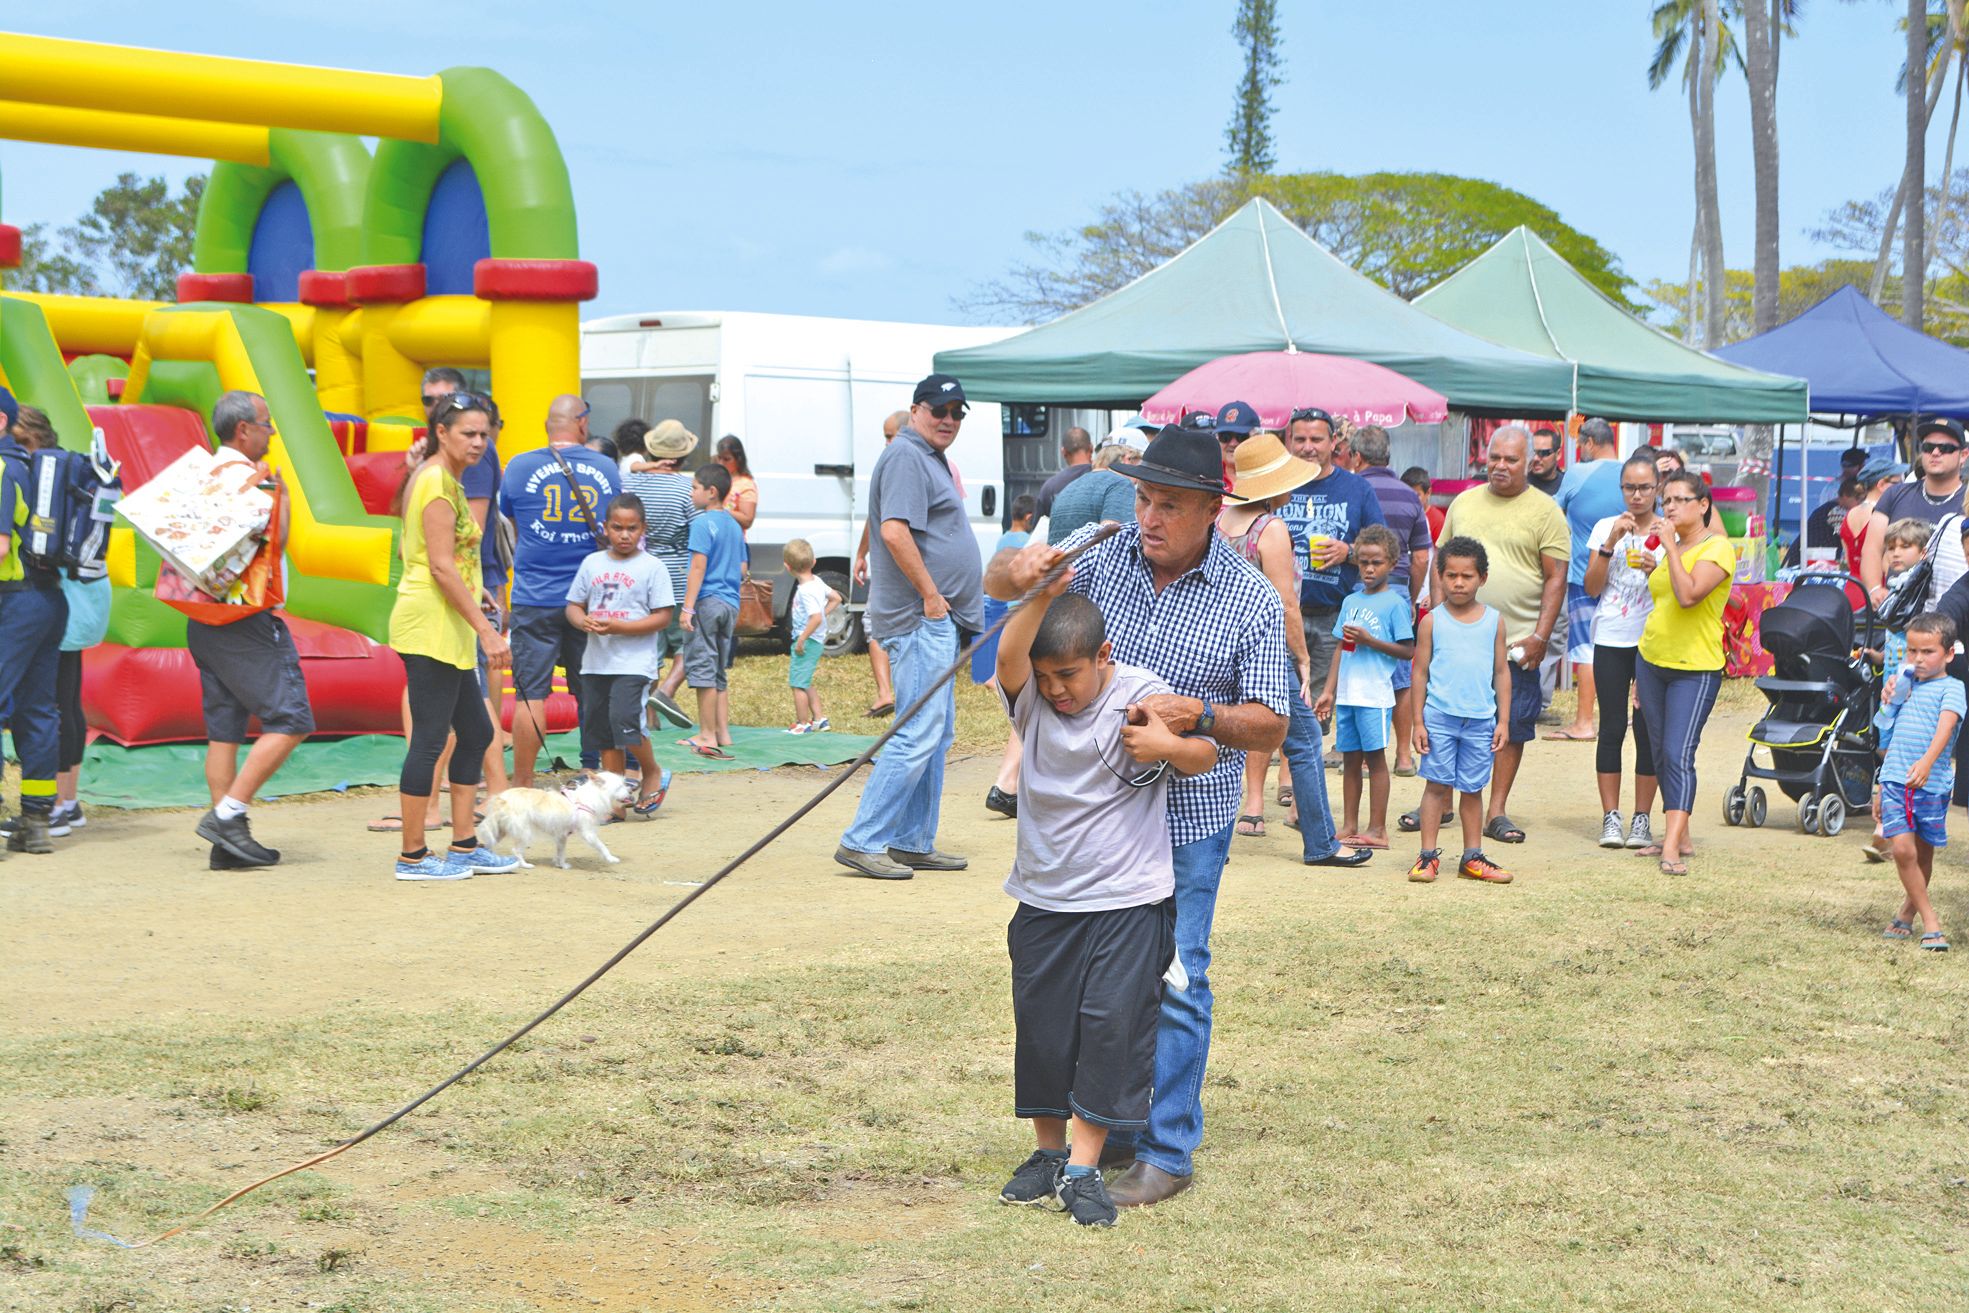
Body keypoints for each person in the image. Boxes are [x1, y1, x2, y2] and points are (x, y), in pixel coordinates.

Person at [985, 423, 1296, 1210]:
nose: (1150, 516)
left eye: (1170, 505)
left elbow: (1270, 724)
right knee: (1094, 989)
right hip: (1087, 826)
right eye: (1144, 497)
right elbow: (999, 585)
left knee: (1176, 978)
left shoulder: (1249, 597)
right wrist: (1015, 568)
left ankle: (1164, 1147)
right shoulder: (1097, 550)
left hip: (1186, 818)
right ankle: (1101, 1133)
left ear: (1209, 511)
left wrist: (1202, 716)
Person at [990, 584, 1206, 1228]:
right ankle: (1048, 1155)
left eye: (1070, 675)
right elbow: (1008, 657)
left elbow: (1204, 754)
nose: (1057, 690)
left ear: (1103, 655)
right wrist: (1038, 594)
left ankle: (1084, 1169)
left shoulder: (1140, 692)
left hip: (1127, 900)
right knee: (1046, 1029)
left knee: (1109, 1027)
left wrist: (1166, 747)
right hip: (1044, 897)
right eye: (1046, 675)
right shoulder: (1029, 698)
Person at [834, 374, 984, 879]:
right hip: (920, 619)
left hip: (933, 619)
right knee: (918, 731)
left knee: (935, 734)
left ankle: (912, 840)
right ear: (916, 409)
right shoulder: (905, 454)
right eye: (939, 409)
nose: (948, 419)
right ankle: (862, 840)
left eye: (957, 412)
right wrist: (931, 597)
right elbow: (894, 531)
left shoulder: (926, 457)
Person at [173, 391, 313, 869]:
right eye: (266, 423)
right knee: (292, 719)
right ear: (244, 431)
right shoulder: (257, 482)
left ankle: (226, 844)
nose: (271, 431)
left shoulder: (198, 474)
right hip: (246, 622)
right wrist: (283, 495)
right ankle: (229, 816)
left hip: (201, 620)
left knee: (224, 731)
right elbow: (279, 543)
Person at [1408, 428, 1566, 846]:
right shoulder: (1464, 501)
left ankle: (1495, 809)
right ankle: (1439, 800)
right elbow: (1442, 562)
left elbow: (1556, 577)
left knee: (1508, 726)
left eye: (1510, 459)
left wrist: (1540, 636)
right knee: (1447, 714)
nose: (1499, 466)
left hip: (1514, 643)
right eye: (1494, 457)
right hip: (1457, 638)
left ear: (1529, 462)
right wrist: (1440, 616)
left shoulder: (1546, 511)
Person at [387, 392, 519, 881]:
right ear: (441, 433)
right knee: (429, 741)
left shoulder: (448, 479)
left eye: (485, 434)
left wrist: (477, 590)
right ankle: (413, 856)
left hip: (450, 622)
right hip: (431, 625)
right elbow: (438, 565)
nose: (479, 442)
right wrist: (487, 631)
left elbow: (443, 559)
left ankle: (464, 845)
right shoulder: (438, 483)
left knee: (479, 732)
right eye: (468, 433)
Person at [497, 394, 620, 786]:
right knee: (593, 691)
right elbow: (616, 527)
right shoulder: (605, 468)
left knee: (530, 695)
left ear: (548, 426)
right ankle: (593, 772)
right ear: (582, 423)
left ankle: (522, 783)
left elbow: (512, 525)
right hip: (589, 599)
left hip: (534, 596)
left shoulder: (518, 467)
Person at [1633, 471, 1737, 876]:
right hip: (1652, 660)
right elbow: (1663, 605)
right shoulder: (1671, 549)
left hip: (1694, 668)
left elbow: (1690, 595)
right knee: (1660, 751)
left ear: (1703, 505)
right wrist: (1657, 563)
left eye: (1680, 500)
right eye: (1667, 500)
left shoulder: (1718, 549)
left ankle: (1671, 846)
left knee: (1679, 752)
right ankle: (1682, 835)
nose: (1670, 507)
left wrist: (1671, 551)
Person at [1216, 433, 1319, 840]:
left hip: (1225, 645)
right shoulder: (1269, 527)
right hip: (1269, 650)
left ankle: (1219, 829)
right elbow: (1286, 603)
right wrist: (1303, 657)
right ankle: (1321, 838)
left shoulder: (1221, 521)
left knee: (1226, 739)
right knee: (1305, 740)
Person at [1405, 536, 1514, 884]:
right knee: (1436, 786)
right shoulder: (1431, 622)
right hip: (1439, 718)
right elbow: (1419, 672)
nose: (1458, 582)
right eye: (1451, 575)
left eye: (1467, 576)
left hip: (1481, 720)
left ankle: (1472, 856)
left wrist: (1504, 721)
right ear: (1440, 576)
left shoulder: (1494, 621)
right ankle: (1427, 856)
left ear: (1482, 577)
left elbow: (1501, 672)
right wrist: (1418, 722)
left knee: (1472, 789)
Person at [1278, 406, 1388, 728]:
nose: (1308, 446)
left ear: (1334, 442)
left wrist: (1349, 551)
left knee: (1316, 715)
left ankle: (1300, 775)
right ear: (1289, 441)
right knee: (1275, 704)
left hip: (1331, 618)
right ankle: (1284, 775)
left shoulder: (1357, 489)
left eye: (1316, 439)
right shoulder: (1276, 485)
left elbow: (1382, 548)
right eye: (1300, 439)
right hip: (1280, 616)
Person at [566, 493, 675, 813]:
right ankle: (616, 798)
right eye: (617, 528)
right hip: (596, 663)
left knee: (624, 721)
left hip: (634, 662)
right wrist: (581, 620)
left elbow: (663, 616)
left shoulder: (652, 567)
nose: (624, 535)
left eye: (632, 528)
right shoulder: (592, 563)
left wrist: (618, 627)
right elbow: (574, 604)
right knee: (602, 730)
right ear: (605, 528)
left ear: (644, 529)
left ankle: (651, 770)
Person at [1581, 451, 1664, 850]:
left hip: (1652, 638)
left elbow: (1676, 591)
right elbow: (1592, 588)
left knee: (1647, 730)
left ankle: (1642, 818)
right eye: (1629, 487)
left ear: (1657, 489)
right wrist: (1611, 543)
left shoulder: (1668, 532)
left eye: (1644, 488)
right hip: (1612, 634)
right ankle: (1611, 817)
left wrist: (1656, 568)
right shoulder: (1604, 528)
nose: (1636, 496)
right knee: (1612, 726)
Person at [1314, 525, 1413, 849]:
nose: (1370, 569)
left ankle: (1378, 829)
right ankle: (1350, 826)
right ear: (1356, 560)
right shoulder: (1351, 600)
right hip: (1348, 695)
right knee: (1350, 761)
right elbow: (1342, 647)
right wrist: (1329, 691)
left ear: (1392, 563)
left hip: (1375, 696)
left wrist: (1371, 640)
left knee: (1375, 760)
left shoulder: (1395, 603)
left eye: (1378, 563)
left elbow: (1408, 650)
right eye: (1365, 562)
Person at [0, 391, 68, 856]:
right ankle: (37, 822)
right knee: (38, 710)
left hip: (13, 605)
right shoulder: (30, 467)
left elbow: (0, 546)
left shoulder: (4, 470)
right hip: (46, 600)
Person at [1877, 613, 1964, 952]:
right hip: (1896, 779)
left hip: (1931, 783)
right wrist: (1889, 699)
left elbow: (1946, 729)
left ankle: (1906, 912)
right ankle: (1931, 919)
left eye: (1927, 652)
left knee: (1923, 854)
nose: (1917, 659)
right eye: (1912, 651)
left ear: (1948, 654)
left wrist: (1927, 763)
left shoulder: (1953, 688)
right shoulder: (1904, 684)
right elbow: (1888, 729)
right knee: (1901, 848)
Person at [1353, 428, 1431, 776]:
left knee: (1359, 671)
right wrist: (1410, 597)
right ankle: (1402, 754)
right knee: (1400, 676)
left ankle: (1359, 752)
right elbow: (1421, 557)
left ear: (1357, 456)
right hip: (1398, 588)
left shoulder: (1352, 490)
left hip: (1357, 587)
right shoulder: (1409, 495)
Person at [1544, 419, 1627, 742]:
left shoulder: (1578, 473)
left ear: (1590, 442)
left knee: (1585, 649)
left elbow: (1552, 513)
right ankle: (1614, 716)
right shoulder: (1631, 474)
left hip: (1583, 572)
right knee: (1619, 645)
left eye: (1581, 443)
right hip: (1624, 577)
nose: (1580, 449)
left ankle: (1583, 722)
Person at [626, 420, 702, 730]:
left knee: (650, 646)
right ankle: (667, 689)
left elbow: (629, 469)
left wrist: (644, 467)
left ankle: (649, 716)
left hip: (642, 570)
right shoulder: (687, 489)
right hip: (678, 573)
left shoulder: (633, 485)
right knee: (690, 642)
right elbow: (698, 534)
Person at [1863, 418, 1967, 611]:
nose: (1935, 453)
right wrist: (1875, 589)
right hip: (1899, 612)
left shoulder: (1967, 499)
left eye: (1945, 448)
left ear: (1963, 455)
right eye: (1928, 447)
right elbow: (1871, 548)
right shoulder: (1895, 494)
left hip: (1952, 615)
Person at [678, 463, 745, 758]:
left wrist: (687, 607)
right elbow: (743, 567)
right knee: (718, 669)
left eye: (694, 487)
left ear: (711, 492)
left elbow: (698, 566)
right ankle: (722, 732)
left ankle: (706, 735)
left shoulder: (702, 523)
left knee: (702, 666)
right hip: (730, 603)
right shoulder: (733, 524)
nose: (692, 493)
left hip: (707, 601)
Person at [983, 496, 1039, 817]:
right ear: (1030, 517)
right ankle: (1008, 784)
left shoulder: (1006, 538)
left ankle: (1006, 784)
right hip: (1024, 615)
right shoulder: (1026, 542)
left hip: (1006, 614)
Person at [855, 410, 907, 718]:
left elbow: (881, 520)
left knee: (874, 626)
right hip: (901, 563)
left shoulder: (894, 466)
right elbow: (876, 516)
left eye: (889, 436)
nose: (886, 443)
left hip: (894, 564)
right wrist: (863, 553)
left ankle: (886, 693)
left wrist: (864, 554)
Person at [783, 537, 841, 734]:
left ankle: (803, 723)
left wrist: (801, 638)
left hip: (806, 641)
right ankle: (819, 719)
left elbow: (814, 618)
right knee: (805, 680)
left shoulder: (806, 591)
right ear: (814, 562)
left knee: (797, 684)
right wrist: (823, 615)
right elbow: (836, 598)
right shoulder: (817, 582)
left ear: (787, 566)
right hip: (815, 640)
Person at [1047, 438, 1140, 545]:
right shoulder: (1120, 484)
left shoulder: (1067, 489)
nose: (1137, 480)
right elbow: (1115, 541)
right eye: (1138, 468)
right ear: (1127, 460)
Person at [1841, 462, 1909, 583]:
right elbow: (1888, 562)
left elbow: (1847, 559)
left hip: (1852, 586)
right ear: (1881, 484)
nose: (1902, 487)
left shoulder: (1850, 513)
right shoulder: (1883, 516)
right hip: (1876, 589)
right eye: (1897, 483)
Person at [1787, 474, 1862, 569]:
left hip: (1812, 560)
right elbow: (1849, 538)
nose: (1861, 504)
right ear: (1845, 496)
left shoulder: (1830, 508)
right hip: (1805, 563)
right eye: (1859, 500)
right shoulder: (1836, 511)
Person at [1034, 425, 1094, 519]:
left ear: (1064, 452)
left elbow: (1041, 529)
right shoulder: (1105, 478)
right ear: (1091, 448)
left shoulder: (1049, 487)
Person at [714, 435, 758, 536]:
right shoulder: (715, 477)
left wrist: (720, 510)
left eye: (727, 459)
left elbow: (747, 520)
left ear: (738, 459)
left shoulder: (745, 484)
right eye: (719, 458)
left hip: (732, 542)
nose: (721, 463)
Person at [1402, 466, 1445, 547]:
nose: (1410, 499)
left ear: (1428, 492)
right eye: (1406, 494)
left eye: (1417, 495)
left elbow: (1440, 550)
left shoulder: (1437, 519)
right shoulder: (1400, 514)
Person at [1528, 427, 1565, 497]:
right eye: (1532, 452)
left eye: (1543, 453)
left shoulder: (1567, 486)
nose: (1535, 458)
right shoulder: (1520, 485)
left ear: (1558, 454)